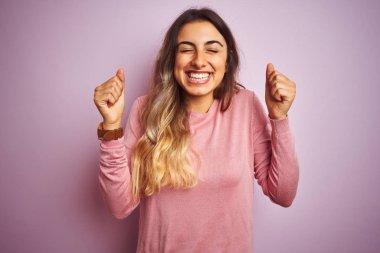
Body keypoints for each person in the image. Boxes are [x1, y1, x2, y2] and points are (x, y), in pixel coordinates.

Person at [93, 7, 299, 253]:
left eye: (212, 49)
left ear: (227, 59)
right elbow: (119, 206)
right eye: (186, 49)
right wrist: (111, 127)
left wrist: (279, 117)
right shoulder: (144, 110)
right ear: (172, 59)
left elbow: (283, 194)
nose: (199, 60)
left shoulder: (245, 106)